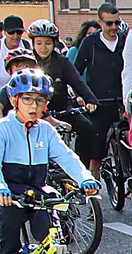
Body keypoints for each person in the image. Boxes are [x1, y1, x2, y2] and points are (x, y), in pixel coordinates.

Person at [0, 71, 98, 254]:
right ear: (13, 100)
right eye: (27, 99)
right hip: (8, 190)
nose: (34, 106)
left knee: (50, 223)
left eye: (40, 100)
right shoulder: (2, 128)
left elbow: (66, 156)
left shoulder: (45, 130)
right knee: (11, 214)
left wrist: (85, 178)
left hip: (36, 187)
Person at [27, 20, 104, 176]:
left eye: (48, 43)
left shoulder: (62, 61)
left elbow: (77, 81)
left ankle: (79, 171)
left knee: (88, 128)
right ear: (33, 43)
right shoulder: (27, 61)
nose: (43, 47)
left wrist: (90, 99)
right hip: (34, 111)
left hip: (61, 108)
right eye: (39, 43)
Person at [74, 4, 128, 134]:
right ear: (100, 23)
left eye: (117, 23)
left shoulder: (126, 40)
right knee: (97, 145)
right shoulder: (89, 43)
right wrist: (81, 96)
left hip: (122, 103)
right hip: (98, 105)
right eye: (109, 23)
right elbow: (75, 72)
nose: (114, 27)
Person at [0, 47, 46, 120]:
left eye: (27, 67)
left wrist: (63, 126)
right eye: (18, 67)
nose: (23, 71)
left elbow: (48, 118)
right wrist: (3, 126)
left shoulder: (38, 90)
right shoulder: (8, 89)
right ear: (9, 71)